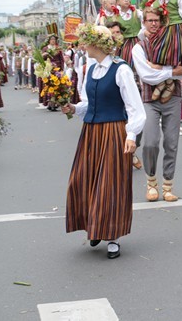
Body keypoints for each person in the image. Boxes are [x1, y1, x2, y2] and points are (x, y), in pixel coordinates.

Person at [62, 23, 146, 259]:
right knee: (83, 180)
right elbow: (90, 102)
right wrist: (73, 108)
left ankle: (112, 237)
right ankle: (95, 225)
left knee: (110, 185)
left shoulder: (121, 70)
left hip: (112, 131)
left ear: (97, 44)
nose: (83, 45)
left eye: (86, 41)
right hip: (90, 132)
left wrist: (131, 136)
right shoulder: (91, 68)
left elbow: (135, 108)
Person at [132, 7, 182, 202]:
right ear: (144, 23)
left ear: (163, 22)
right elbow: (146, 75)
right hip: (149, 100)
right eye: (150, 20)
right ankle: (151, 183)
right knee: (150, 143)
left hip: (173, 97)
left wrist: (159, 68)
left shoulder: (175, 43)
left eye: (157, 20)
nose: (154, 23)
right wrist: (170, 71)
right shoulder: (139, 47)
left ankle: (167, 186)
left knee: (171, 143)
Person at [109, 0, 142, 67]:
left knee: (139, 60)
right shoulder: (115, 16)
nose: (126, 0)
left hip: (137, 40)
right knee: (125, 60)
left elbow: (144, 25)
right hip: (123, 42)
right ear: (118, 2)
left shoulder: (137, 13)